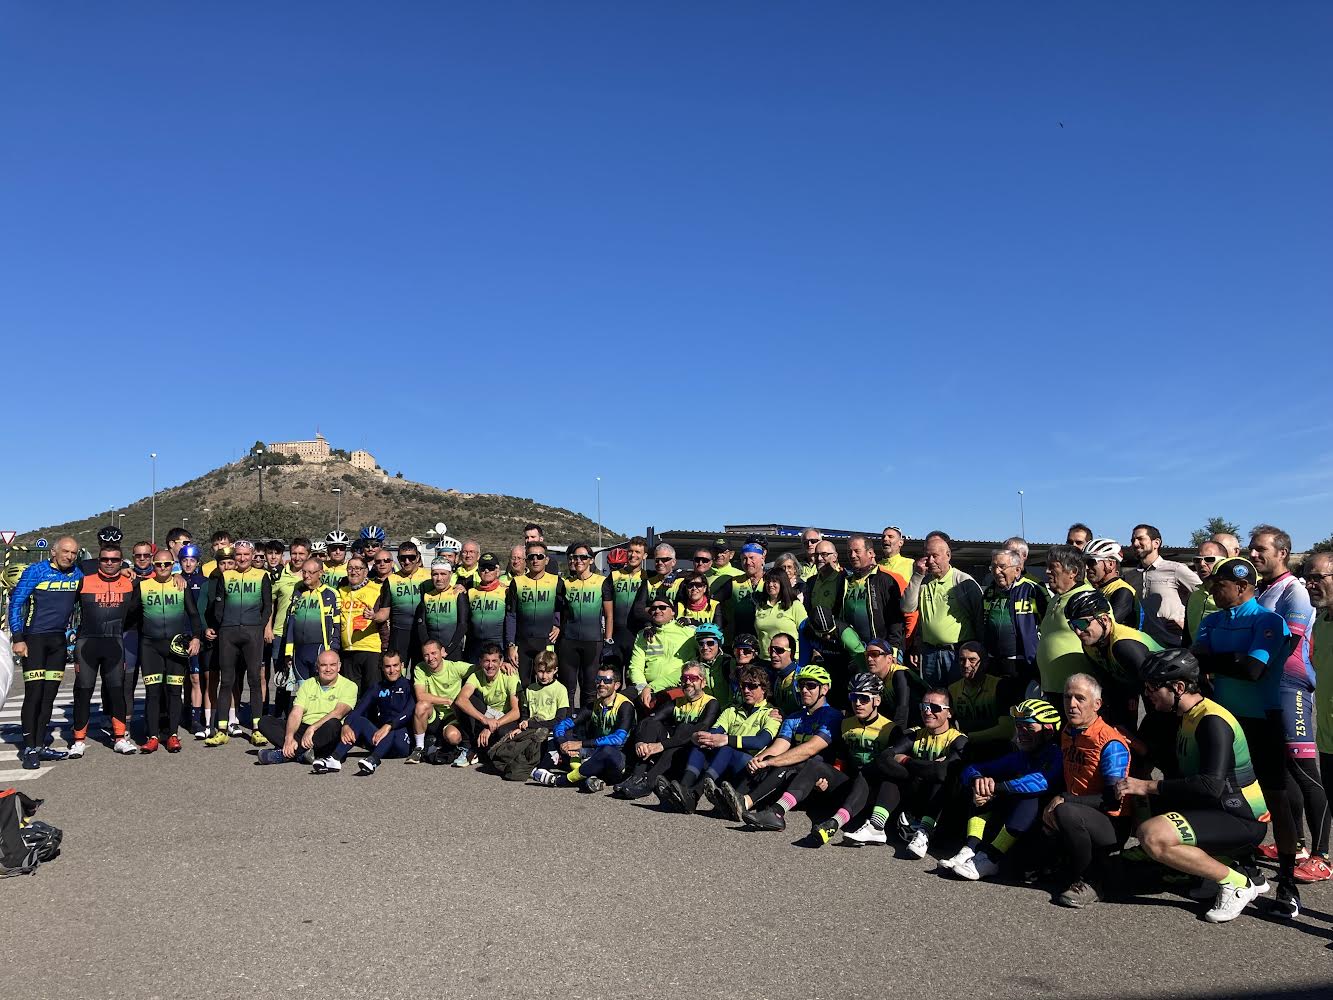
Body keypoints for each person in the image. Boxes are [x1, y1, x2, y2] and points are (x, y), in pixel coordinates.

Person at [1115, 649, 1271, 923]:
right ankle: (1219, 868)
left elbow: (1210, 785)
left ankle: (1238, 882)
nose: (1147, 694)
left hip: (1242, 816)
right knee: (1140, 799)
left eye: (1152, 687)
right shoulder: (1187, 715)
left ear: (1178, 687)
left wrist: (1147, 787)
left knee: (1153, 835)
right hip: (1214, 808)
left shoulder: (1212, 721)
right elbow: (1179, 769)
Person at [1192, 556, 1300, 917]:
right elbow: (1194, 662)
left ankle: (1287, 880)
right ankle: (1243, 866)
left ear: (1241, 585)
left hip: (1262, 721)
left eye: (1219, 586)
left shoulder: (1269, 620)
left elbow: (1254, 669)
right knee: (1224, 795)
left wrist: (1215, 662)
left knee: (1277, 800)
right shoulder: (1211, 620)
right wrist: (1231, 659)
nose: (1213, 591)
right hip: (1223, 720)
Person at [1249, 525, 1328, 883]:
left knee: (1306, 772)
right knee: (1280, 771)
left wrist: (1245, 663)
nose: (1253, 554)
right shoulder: (1264, 589)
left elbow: (1288, 642)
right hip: (1268, 687)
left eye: (1260, 548)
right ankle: (1295, 844)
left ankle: (1322, 854)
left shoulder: (1294, 590)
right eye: (1251, 548)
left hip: (1291, 684)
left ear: (1282, 552)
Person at [822, 686, 968, 852]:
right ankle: (876, 826)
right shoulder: (915, 733)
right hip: (915, 796)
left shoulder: (959, 739)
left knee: (940, 781)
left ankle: (924, 833)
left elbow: (942, 773)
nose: (927, 712)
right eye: (924, 707)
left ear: (949, 712)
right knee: (888, 772)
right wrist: (926, 768)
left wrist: (906, 760)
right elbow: (884, 758)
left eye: (935, 708)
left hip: (945, 807)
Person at [942, 698, 1064, 881]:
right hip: (1017, 825)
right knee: (982, 785)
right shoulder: (1022, 755)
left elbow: (1040, 782)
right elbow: (972, 769)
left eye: (1028, 728)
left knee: (1028, 797)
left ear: (1048, 731)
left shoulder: (1057, 753)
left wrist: (995, 788)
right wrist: (979, 781)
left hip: (1045, 829)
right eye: (1018, 726)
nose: (1021, 733)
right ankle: (971, 848)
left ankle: (991, 857)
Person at [1043, 674, 1131, 907]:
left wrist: (1064, 798)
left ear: (1097, 704)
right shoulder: (1069, 731)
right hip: (1081, 810)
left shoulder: (1110, 742)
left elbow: (1113, 800)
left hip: (1110, 822)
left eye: (1080, 698)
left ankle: (1092, 880)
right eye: (1067, 697)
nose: (1071, 704)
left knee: (1066, 811)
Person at [657, 664, 780, 813]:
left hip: (749, 767)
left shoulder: (771, 713)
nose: (746, 690)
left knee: (727, 748)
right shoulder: (731, 710)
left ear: (764, 689)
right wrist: (702, 737)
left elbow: (761, 741)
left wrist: (727, 739)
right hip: (723, 762)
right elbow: (714, 733)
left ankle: (695, 794)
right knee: (702, 743)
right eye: (743, 686)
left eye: (752, 686)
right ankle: (683, 789)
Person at [733, 664, 844, 830]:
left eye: (811, 686)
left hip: (821, 782)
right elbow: (780, 746)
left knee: (788, 762)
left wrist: (770, 763)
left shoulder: (832, 716)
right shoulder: (794, 717)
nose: (805, 690)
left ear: (825, 689)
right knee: (768, 759)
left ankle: (746, 802)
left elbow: (810, 749)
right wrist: (761, 759)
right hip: (797, 779)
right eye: (801, 686)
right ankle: (736, 798)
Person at [9, 535, 82, 768]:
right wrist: (18, 638)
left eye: (73, 553)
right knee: (34, 693)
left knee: (50, 694)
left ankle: (40, 744)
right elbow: (16, 603)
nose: (69, 556)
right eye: (66, 551)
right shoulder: (36, 571)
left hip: (58, 642)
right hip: (34, 640)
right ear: (54, 551)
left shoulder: (77, 573)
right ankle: (29, 747)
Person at [122, 550, 203, 753]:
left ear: (172, 565)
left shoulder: (180, 584)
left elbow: (194, 614)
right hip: (150, 647)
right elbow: (129, 616)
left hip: (176, 646)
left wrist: (196, 638)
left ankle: (173, 735)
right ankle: (152, 736)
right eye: (159, 564)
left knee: (174, 692)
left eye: (167, 565)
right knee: (153, 692)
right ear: (153, 565)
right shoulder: (142, 586)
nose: (163, 568)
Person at [809, 672, 904, 846]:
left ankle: (834, 824)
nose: (857, 703)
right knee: (815, 765)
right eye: (853, 697)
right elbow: (841, 759)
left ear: (877, 701)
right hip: (853, 787)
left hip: (879, 790)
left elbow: (897, 769)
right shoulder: (846, 724)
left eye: (864, 698)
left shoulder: (891, 729)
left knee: (868, 772)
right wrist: (829, 779)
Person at [616, 662, 721, 800]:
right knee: (650, 723)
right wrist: (640, 742)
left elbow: (699, 731)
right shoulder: (677, 702)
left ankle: (648, 783)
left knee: (684, 729)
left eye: (693, 678)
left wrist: (660, 746)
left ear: (703, 682)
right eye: (684, 678)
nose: (688, 682)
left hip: (692, 757)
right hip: (669, 755)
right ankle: (637, 775)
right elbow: (649, 721)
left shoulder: (711, 703)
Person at [203, 540, 273, 746]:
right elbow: (218, 604)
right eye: (238, 555)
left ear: (252, 555)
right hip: (229, 633)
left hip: (252, 633)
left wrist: (257, 626)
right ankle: (222, 728)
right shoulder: (226, 575)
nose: (242, 559)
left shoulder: (262, 576)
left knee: (254, 680)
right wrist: (224, 624)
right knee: (227, 681)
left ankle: (257, 729)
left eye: (246, 555)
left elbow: (267, 605)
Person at [70, 542, 136, 757]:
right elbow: (66, 608)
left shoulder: (130, 583)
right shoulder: (84, 581)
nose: (109, 563)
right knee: (83, 691)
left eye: (114, 559)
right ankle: (78, 740)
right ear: (99, 560)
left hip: (114, 643)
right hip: (87, 643)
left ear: (121, 562)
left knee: (116, 691)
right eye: (105, 559)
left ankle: (119, 738)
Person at [1065, 589, 1160, 730]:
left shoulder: (1123, 645)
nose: (1078, 631)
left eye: (1083, 624)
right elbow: (1107, 682)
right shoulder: (1090, 644)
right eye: (1073, 625)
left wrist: (1132, 694)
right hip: (1132, 684)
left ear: (1104, 619)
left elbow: (1156, 689)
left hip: (1162, 687)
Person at [533, 667, 636, 791]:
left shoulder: (625, 706)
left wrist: (580, 744)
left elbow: (618, 739)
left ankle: (560, 780)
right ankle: (588, 778)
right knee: (561, 738)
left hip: (618, 762)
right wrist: (563, 744)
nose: (601, 684)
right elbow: (561, 725)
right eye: (598, 680)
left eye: (607, 680)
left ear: (617, 685)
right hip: (594, 755)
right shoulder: (593, 705)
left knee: (606, 750)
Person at [902, 532, 981, 687]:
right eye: (927, 556)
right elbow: (907, 607)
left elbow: (979, 617)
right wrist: (917, 576)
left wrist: (978, 652)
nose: (930, 561)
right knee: (932, 698)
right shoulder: (923, 581)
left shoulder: (963, 581)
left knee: (958, 696)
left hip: (957, 652)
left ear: (948, 555)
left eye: (935, 556)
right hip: (929, 653)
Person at [255, 650, 357, 767]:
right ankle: (304, 753)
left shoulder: (349, 686)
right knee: (264, 722)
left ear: (339, 666)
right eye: (323, 665)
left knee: (334, 724)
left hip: (325, 730)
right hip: (304, 728)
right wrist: (289, 737)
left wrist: (312, 728)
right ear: (317, 667)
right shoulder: (308, 684)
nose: (328, 669)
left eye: (332, 665)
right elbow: (296, 712)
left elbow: (338, 713)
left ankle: (284, 755)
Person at [326, 649, 414, 774]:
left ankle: (373, 760)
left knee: (393, 727)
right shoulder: (377, 687)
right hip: (381, 739)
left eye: (395, 665)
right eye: (387, 666)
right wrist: (346, 725)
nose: (392, 670)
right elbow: (359, 709)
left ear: (402, 666)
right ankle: (335, 758)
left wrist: (389, 726)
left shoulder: (409, 686)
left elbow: (409, 712)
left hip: (401, 741)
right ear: (382, 668)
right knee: (359, 721)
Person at [1125, 523, 1201, 649]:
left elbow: (1204, 596)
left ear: (1156, 543)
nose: (1135, 544)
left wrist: (1188, 625)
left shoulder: (1176, 569)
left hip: (1173, 646)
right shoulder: (1130, 577)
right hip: (1143, 646)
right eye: (1133, 540)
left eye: (1140, 539)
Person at [1036, 545, 1096, 705]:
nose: (1047, 572)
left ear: (1073, 572)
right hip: (1053, 689)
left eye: (1053, 567)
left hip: (1076, 694)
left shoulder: (1086, 599)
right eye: (1046, 567)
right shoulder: (1056, 598)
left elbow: (1100, 642)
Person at [446, 644, 521, 766]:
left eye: (494, 661)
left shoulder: (510, 676)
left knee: (503, 733)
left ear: (501, 661)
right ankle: (467, 747)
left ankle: (484, 751)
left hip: (505, 718)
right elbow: (460, 700)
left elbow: (516, 712)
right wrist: (485, 720)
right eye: (486, 661)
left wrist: (491, 726)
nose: (490, 665)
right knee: (463, 702)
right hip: (488, 715)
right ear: (480, 662)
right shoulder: (476, 675)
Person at [1305, 553, 1333, 883]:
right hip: (1326, 739)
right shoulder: (1321, 622)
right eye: (1307, 577)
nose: (1310, 584)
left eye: (1318, 578)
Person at [557, 541, 612, 706]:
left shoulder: (602, 582)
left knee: (589, 688)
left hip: (593, 642)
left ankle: (585, 726)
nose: (578, 560)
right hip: (569, 641)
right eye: (575, 557)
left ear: (591, 560)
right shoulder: (566, 583)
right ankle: (565, 726)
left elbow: (609, 615)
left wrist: (608, 640)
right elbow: (561, 612)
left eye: (583, 557)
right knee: (567, 688)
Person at [981, 548, 1046, 685]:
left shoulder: (1032, 590)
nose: (996, 571)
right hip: (994, 661)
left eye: (1002, 567)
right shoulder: (989, 592)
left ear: (1017, 570)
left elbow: (1046, 623)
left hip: (1022, 662)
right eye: (993, 567)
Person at [504, 542, 565, 685]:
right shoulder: (517, 583)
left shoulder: (557, 582)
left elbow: (564, 609)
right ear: (526, 560)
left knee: (546, 685)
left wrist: (558, 625)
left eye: (539, 556)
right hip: (523, 644)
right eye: (531, 556)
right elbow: (511, 616)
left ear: (547, 560)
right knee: (523, 686)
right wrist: (510, 645)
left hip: (546, 642)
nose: (535, 560)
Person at [282, 558, 342, 701]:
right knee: (303, 693)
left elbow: (337, 624)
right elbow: (291, 622)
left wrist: (333, 649)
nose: (306, 576)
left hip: (320, 648)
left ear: (320, 573)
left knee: (321, 692)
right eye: (304, 572)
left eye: (311, 572)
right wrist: (288, 651)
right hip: (299, 651)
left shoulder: (331, 594)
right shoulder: (297, 592)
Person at [407, 639, 471, 764]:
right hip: (433, 714)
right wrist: (446, 700)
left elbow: (481, 668)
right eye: (426, 655)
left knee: (454, 737)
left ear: (442, 652)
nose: (430, 658)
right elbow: (420, 695)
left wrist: (503, 665)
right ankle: (419, 748)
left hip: (451, 717)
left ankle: (440, 740)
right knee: (421, 706)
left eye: (433, 653)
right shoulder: (420, 668)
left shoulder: (455, 667)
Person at [948, 641, 1017, 759]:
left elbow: (1007, 730)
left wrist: (969, 737)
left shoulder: (999, 686)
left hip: (996, 747)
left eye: (972, 660)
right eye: (962, 659)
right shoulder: (952, 689)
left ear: (984, 663)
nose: (966, 665)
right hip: (965, 748)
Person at [627, 597, 698, 711]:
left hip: (675, 685)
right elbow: (635, 666)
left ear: (673, 612)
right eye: (653, 608)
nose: (657, 611)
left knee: (659, 703)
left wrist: (692, 621)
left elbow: (712, 637)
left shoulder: (689, 632)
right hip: (645, 686)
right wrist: (642, 688)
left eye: (662, 607)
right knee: (620, 700)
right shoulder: (643, 635)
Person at [335, 555, 391, 697]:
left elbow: (384, 615)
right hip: (347, 650)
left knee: (372, 692)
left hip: (370, 649)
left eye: (358, 568)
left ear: (366, 571)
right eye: (350, 568)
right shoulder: (341, 591)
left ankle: (372, 719)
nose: (353, 572)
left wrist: (374, 616)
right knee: (352, 694)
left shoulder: (377, 589)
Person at [269, 538, 310, 716]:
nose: (297, 557)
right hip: (280, 633)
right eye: (294, 553)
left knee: (303, 677)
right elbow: (270, 603)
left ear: (308, 555)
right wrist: (267, 628)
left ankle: (302, 715)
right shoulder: (279, 575)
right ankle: (279, 715)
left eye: (301, 553)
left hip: (303, 635)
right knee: (282, 677)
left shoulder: (312, 576)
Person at [414, 558, 469, 661]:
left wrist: (448, 650)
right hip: (432, 653)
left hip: (452, 650)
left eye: (443, 574)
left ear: (450, 574)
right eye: (435, 574)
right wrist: (430, 649)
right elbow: (421, 625)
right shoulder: (427, 596)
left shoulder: (457, 594)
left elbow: (462, 625)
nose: (439, 578)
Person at [385, 540, 429, 662]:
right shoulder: (391, 580)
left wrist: (459, 587)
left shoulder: (430, 576)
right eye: (403, 558)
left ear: (418, 557)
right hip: (399, 632)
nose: (407, 561)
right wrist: (374, 616)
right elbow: (384, 611)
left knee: (421, 671)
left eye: (411, 557)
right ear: (398, 559)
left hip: (423, 632)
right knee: (398, 671)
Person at [1083, 538, 1142, 628]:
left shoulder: (1122, 591)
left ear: (1110, 564)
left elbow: (1106, 626)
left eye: (1092, 562)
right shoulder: (1100, 589)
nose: (1087, 567)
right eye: (1085, 562)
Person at [753, 568, 807, 659]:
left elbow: (806, 633)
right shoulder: (760, 606)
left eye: (775, 582)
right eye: (767, 581)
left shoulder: (795, 605)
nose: (770, 585)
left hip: (789, 660)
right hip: (764, 660)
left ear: (783, 583)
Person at [722, 542, 769, 641]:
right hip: (740, 640)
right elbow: (714, 602)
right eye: (744, 558)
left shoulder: (772, 580)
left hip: (766, 641)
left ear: (762, 559)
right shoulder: (734, 582)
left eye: (752, 558)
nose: (748, 562)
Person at [466, 552, 508, 660]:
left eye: (490, 567)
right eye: (483, 568)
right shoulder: (471, 592)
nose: (486, 571)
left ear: (497, 570)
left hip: (497, 644)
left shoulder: (505, 591)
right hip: (475, 645)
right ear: (479, 570)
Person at [1185, 541, 1225, 643]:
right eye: (1197, 560)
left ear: (1223, 561)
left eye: (1209, 559)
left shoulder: (1232, 596)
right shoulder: (1194, 596)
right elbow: (1187, 636)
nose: (1202, 564)